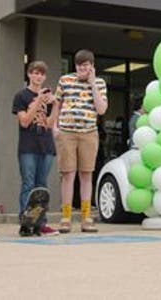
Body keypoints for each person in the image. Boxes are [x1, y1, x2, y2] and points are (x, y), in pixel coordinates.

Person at [55, 49, 107, 233]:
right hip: (67, 132)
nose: (82, 69)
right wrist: (55, 127)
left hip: (89, 132)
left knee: (86, 174)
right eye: (79, 66)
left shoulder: (100, 83)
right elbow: (57, 104)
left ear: (92, 66)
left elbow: (101, 110)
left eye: (86, 66)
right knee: (67, 174)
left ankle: (86, 217)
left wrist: (92, 84)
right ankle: (66, 217)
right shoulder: (65, 80)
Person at [12, 60, 60, 236]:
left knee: (42, 187)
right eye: (35, 72)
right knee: (28, 184)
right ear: (29, 74)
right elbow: (24, 122)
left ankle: (40, 223)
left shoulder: (48, 98)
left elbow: (48, 124)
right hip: (28, 146)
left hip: (46, 146)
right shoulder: (21, 96)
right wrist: (38, 99)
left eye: (41, 74)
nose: (38, 76)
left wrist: (55, 105)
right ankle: (26, 222)